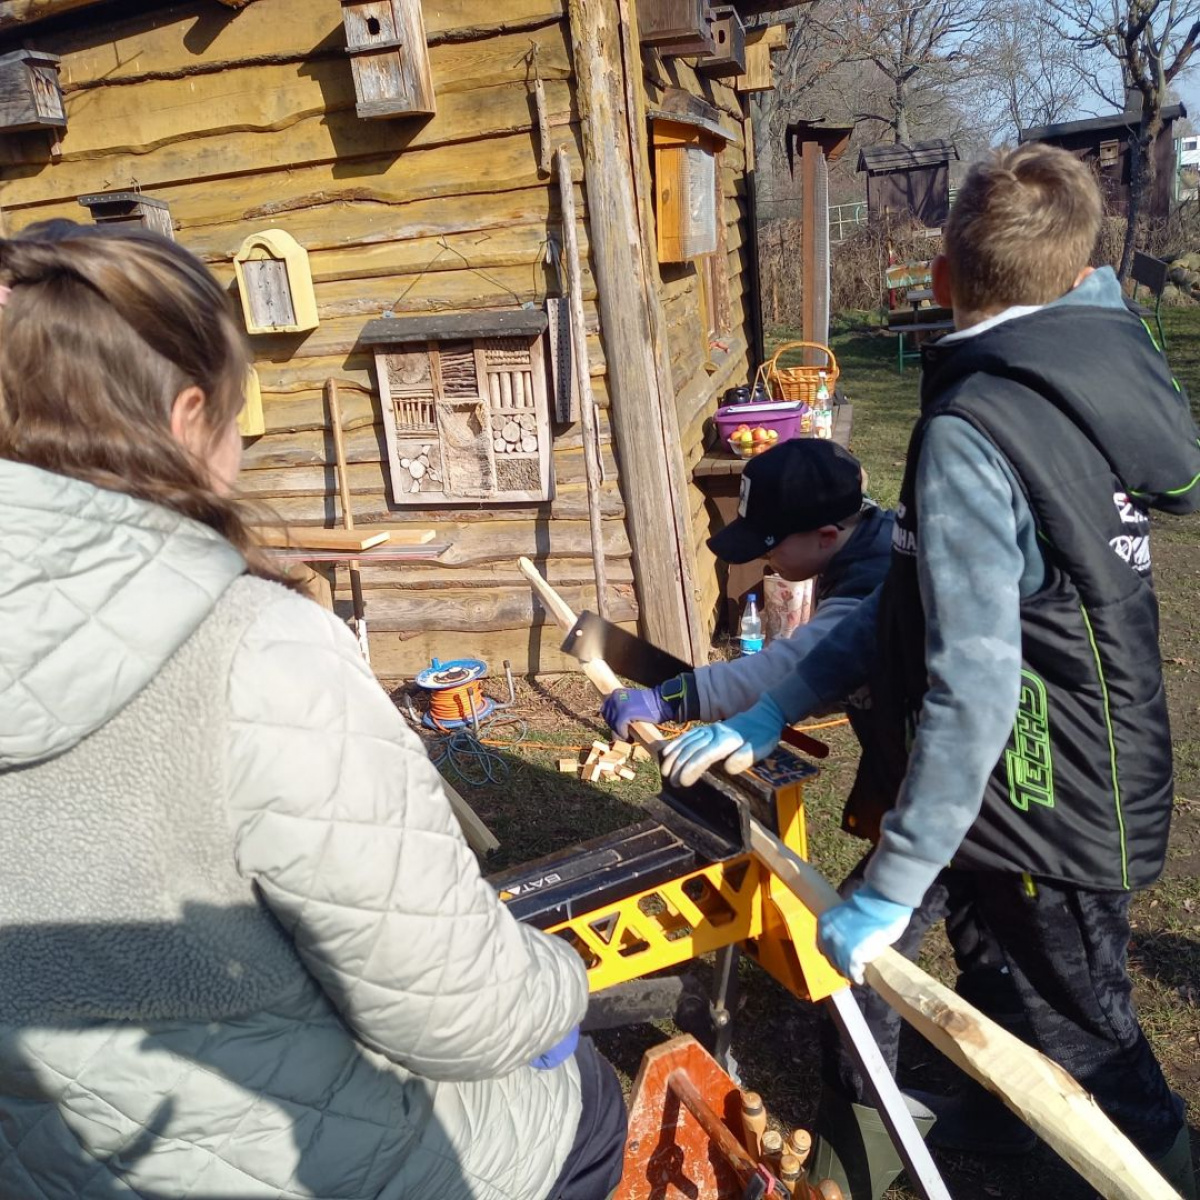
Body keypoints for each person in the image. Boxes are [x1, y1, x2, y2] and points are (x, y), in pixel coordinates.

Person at [0, 226, 626, 1199]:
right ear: (189, 417)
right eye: (235, 418)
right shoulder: (255, 654)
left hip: (53, 1168)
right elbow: (455, 1013)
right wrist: (559, 984)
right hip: (338, 1167)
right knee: (587, 1110)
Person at [661, 143, 1199, 1200]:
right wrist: (774, 709)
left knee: (1086, 1034)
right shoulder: (1074, 371)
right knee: (996, 970)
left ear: (944, 277)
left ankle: (1161, 1175)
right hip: (1042, 781)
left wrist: (892, 885)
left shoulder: (975, 429)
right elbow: (906, 609)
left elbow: (976, 688)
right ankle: (996, 1138)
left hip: (1041, 793)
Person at [602, 438, 892, 739]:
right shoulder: (856, 541)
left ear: (826, 537)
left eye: (768, 550)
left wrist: (671, 699)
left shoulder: (872, 582)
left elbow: (806, 664)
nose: (764, 560)